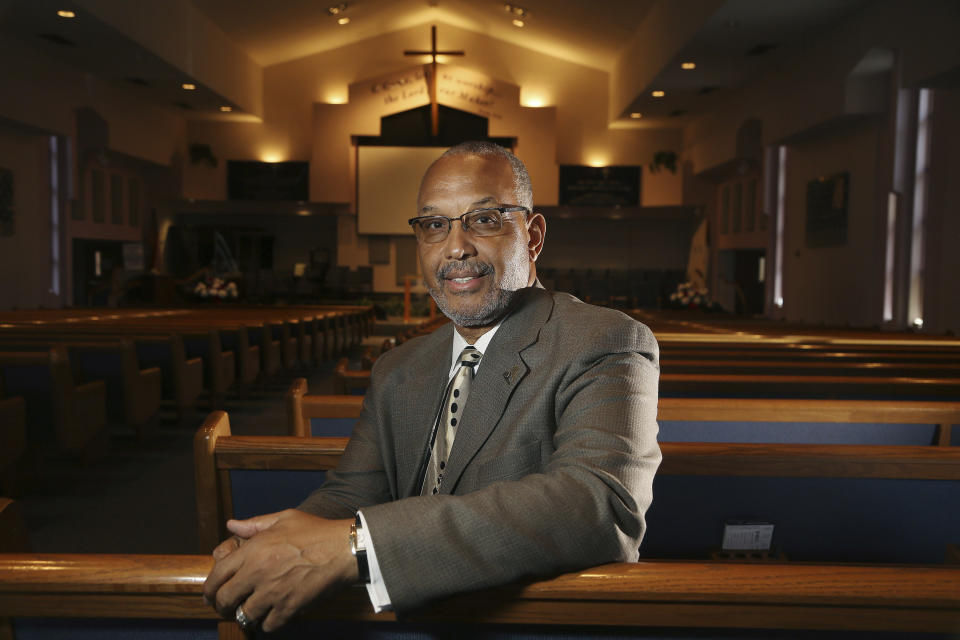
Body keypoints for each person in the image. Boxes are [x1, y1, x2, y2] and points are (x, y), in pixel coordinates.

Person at [203, 141, 661, 632]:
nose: (456, 247)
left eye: (483, 219)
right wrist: (273, 545)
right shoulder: (398, 367)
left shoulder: (603, 340)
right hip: (400, 621)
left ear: (532, 235)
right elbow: (352, 493)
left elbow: (596, 505)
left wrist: (358, 546)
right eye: (434, 225)